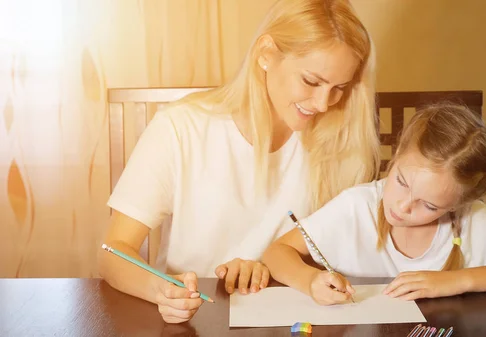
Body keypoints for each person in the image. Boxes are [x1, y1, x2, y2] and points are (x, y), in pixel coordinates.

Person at [97, 0, 380, 324]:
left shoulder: (340, 140)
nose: (322, 104)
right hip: (194, 322)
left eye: (338, 89)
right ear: (266, 54)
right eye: (311, 82)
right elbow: (112, 252)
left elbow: (345, 258)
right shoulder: (180, 128)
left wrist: (272, 271)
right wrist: (162, 290)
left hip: (298, 322)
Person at [262, 103, 486, 306]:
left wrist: (457, 281)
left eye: (429, 206)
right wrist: (311, 280)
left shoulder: (471, 220)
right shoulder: (357, 206)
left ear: (457, 205)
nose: (402, 207)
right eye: (401, 182)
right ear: (395, 156)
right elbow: (277, 253)